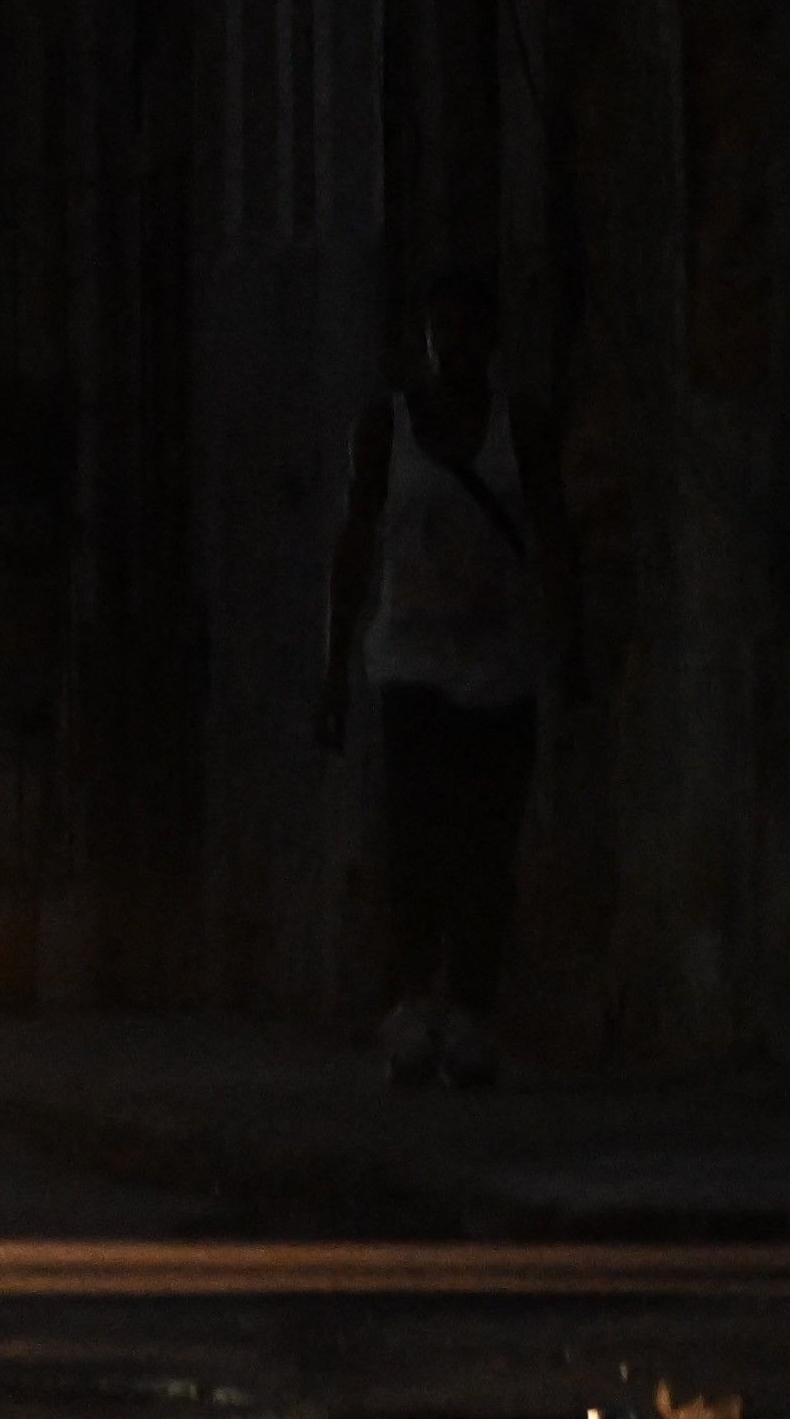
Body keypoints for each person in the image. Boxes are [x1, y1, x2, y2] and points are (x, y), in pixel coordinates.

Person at [317, 264, 563, 1089]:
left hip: (500, 670)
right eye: (436, 331)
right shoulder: (385, 431)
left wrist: (575, 646)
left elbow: (553, 537)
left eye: (463, 330)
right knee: (415, 843)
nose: (449, 347)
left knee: (486, 847)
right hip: (411, 663)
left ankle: (472, 1011)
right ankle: (412, 1005)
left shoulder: (517, 428)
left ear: (488, 341)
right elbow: (354, 548)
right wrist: (333, 668)